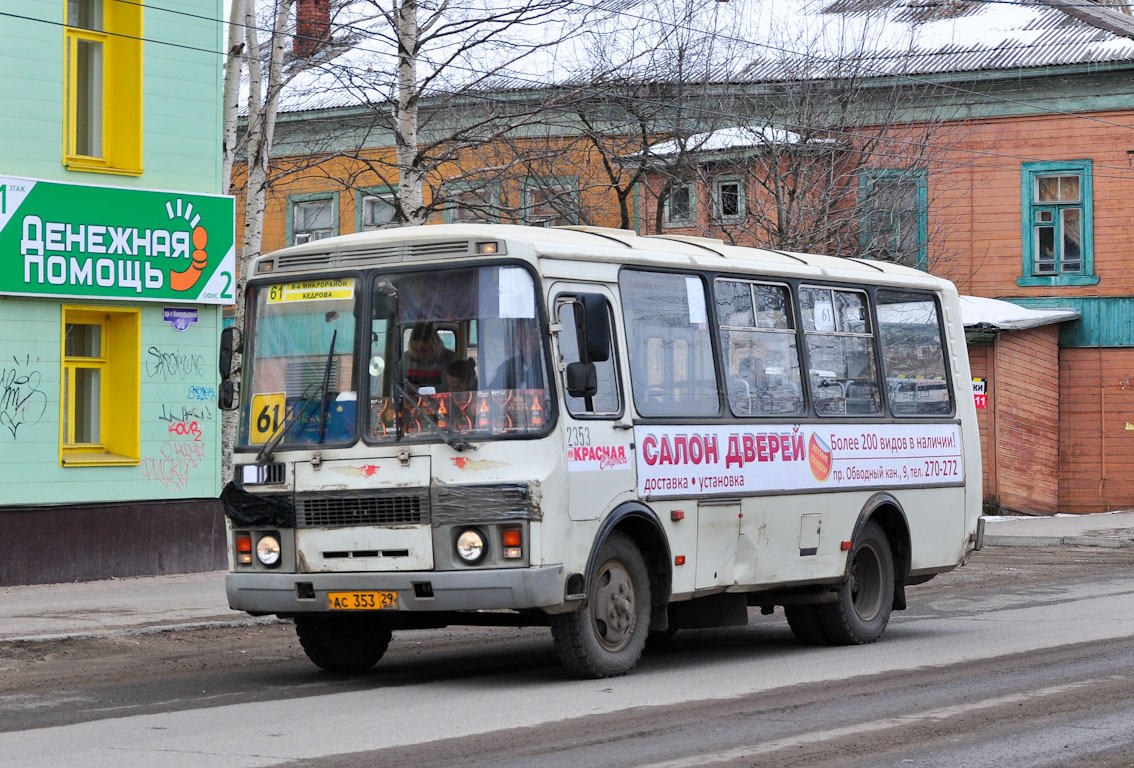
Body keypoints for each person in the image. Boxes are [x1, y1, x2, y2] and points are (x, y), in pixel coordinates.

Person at [401, 323, 455, 392]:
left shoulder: (451, 359)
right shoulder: (406, 359)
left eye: (424, 351)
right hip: (412, 402)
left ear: (435, 347)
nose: (420, 355)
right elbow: (397, 385)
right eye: (416, 351)